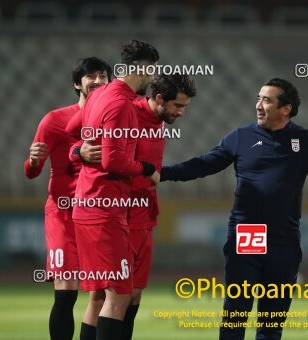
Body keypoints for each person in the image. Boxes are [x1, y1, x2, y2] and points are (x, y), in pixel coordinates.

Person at [160, 78, 308, 340]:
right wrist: (162, 173)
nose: (258, 105)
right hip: (248, 232)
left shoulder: (305, 141)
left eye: (266, 100)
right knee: (236, 315)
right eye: (258, 98)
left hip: (284, 238)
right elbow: (203, 164)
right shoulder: (241, 137)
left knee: (272, 322)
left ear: (286, 109)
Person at [73, 74, 197, 339]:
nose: (182, 113)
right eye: (178, 106)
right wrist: (77, 152)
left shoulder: (159, 121)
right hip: (119, 215)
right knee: (104, 296)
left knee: (133, 296)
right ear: (160, 99)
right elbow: (76, 137)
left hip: (145, 215)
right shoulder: (127, 111)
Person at [65, 40, 160, 340]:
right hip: (105, 211)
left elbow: (71, 129)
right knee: (118, 296)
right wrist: (146, 168)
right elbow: (114, 161)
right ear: (142, 68)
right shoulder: (122, 103)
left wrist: (79, 151)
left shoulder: (100, 94)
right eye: (151, 71)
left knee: (97, 299)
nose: (153, 78)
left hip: (86, 208)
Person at [24, 57, 111, 340]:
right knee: (66, 292)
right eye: (90, 76)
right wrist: (34, 161)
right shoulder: (54, 120)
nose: (97, 80)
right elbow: (31, 172)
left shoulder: (114, 121)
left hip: (98, 214)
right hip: (62, 214)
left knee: (101, 294)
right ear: (77, 83)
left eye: (102, 75)